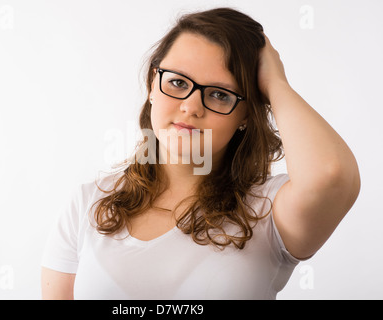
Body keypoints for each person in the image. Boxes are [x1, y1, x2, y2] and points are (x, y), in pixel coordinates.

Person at [41, 7, 360, 300]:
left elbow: (331, 175)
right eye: (178, 82)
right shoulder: (88, 204)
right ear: (154, 84)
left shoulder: (269, 210)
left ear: (247, 113)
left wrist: (276, 82)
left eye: (220, 94)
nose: (191, 107)